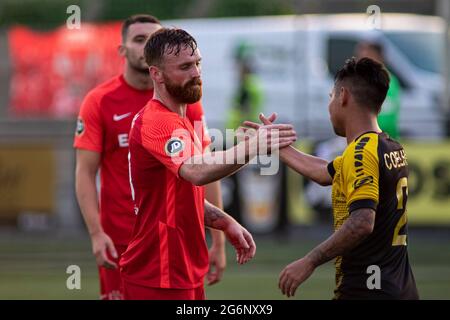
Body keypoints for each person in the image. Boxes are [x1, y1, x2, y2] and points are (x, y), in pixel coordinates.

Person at [119, 28, 297, 300]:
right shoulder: (157, 120)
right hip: (158, 274)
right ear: (157, 74)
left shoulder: (182, 121)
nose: (196, 73)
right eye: (185, 67)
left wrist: (226, 223)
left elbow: (181, 198)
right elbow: (195, 171)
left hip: (183, 271)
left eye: (198, 63)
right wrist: (254, 145)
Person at [74, 15, 226, 300]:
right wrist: (96, 233)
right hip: (121, 239)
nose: (146, 47)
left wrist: (218, 239)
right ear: (122, 50)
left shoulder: (187, 102)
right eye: (138, 40)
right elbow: (85, 172)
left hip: (176, 242)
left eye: (153, 40)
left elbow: (205, 168)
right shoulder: (100, 101)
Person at [245, 57, 419, 299]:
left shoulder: (361, 152)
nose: (329, 106)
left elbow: (362, 222)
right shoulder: (389, 146)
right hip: (400, 288)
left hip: (369, 290)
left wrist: (310, 261)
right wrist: (274, 145)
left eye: (330, 96)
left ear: (344, 96)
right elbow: (324, 172)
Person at [356, 41, 401, 140]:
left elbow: (386, 118)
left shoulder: (388, 81)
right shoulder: (364, 80)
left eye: (365, 58)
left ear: (377, 57)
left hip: (380, 141)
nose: (360, 63)